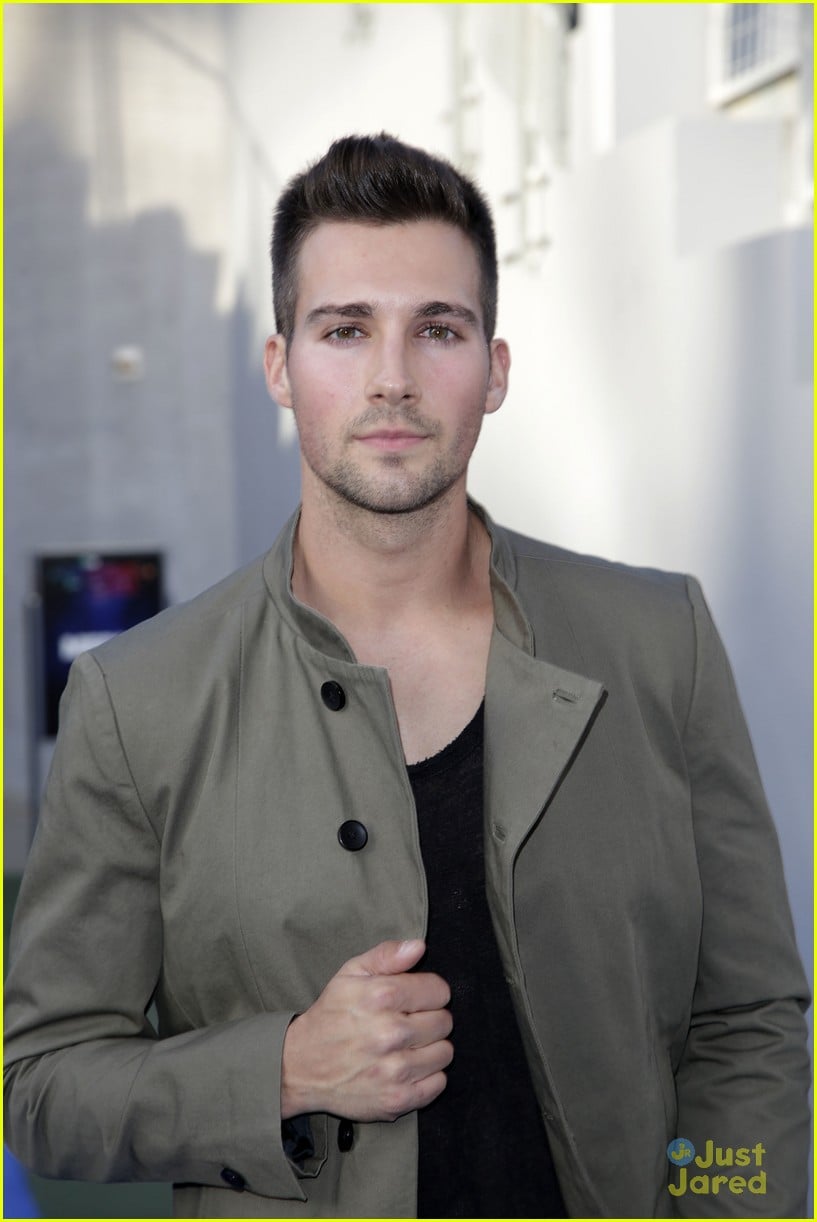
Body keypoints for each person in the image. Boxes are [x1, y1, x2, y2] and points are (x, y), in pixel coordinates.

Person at [4, 133, 810, 1220]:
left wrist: (727, 1212)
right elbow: (44, 1082)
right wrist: (282, 1067)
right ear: (281, 367)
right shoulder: (137, 700)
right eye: (345, 330)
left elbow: (749, 1021)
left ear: (495, 369)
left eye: (437, 329)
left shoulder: (657, 638)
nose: (392, 377)